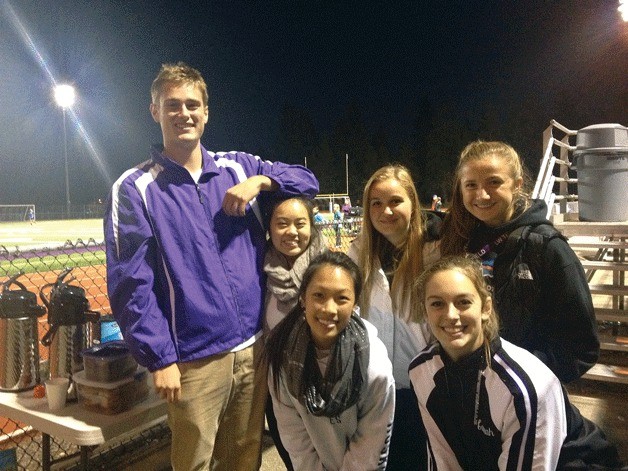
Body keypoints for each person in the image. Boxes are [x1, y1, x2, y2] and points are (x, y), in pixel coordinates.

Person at [103, 62, 318, 470]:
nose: (183, 113)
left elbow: (306, 180)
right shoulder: (134, 189)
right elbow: (131, 282)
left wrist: (262, 183)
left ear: (206, 112)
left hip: (254, 347)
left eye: (192, 105)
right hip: (193, 359)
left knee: (244, 458)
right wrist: (159, 357)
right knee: (194, 463)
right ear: (154, 111)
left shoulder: (238, 166)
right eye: (172, 105)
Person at [409, 255, 624, 470]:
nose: (451, 315)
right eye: (437, 303)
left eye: (463, 302)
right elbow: (442, 458)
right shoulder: (421, 371)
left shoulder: (523, 386)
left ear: (486, 308)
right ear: (425, 310)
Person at [439, 140, 598, 383]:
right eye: (471, 185)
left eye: (494, 182)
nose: (481, 195)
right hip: (471, 385)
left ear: (517, 184)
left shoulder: (547, 248)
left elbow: (581, 349)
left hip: (525, 393)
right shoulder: (462, 241)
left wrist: (516, 374)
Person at [348, 164, 440, 470]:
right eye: (376, 203)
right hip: (374, 388)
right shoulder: (359, 253)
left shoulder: (434, 252)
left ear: (413, 202)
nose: (385, 211)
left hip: (424, 389)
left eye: (395, 201)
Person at [266, 251, 395, 471]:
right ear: (302, 299)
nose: (329, 309)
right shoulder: (283, 358)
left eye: (342, 298)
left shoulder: (374, 367)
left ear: (355, 304)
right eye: (318, 295)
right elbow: (295, 437)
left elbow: (370, 444)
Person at [263, 197, 325, 470]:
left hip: (324, 384)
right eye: (282, 224)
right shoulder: (258, 271)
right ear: (270, 229)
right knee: (294, 458)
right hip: (278, 389)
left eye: (300, 224)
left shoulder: (330, 269)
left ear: (311, 227)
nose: (292, 232)